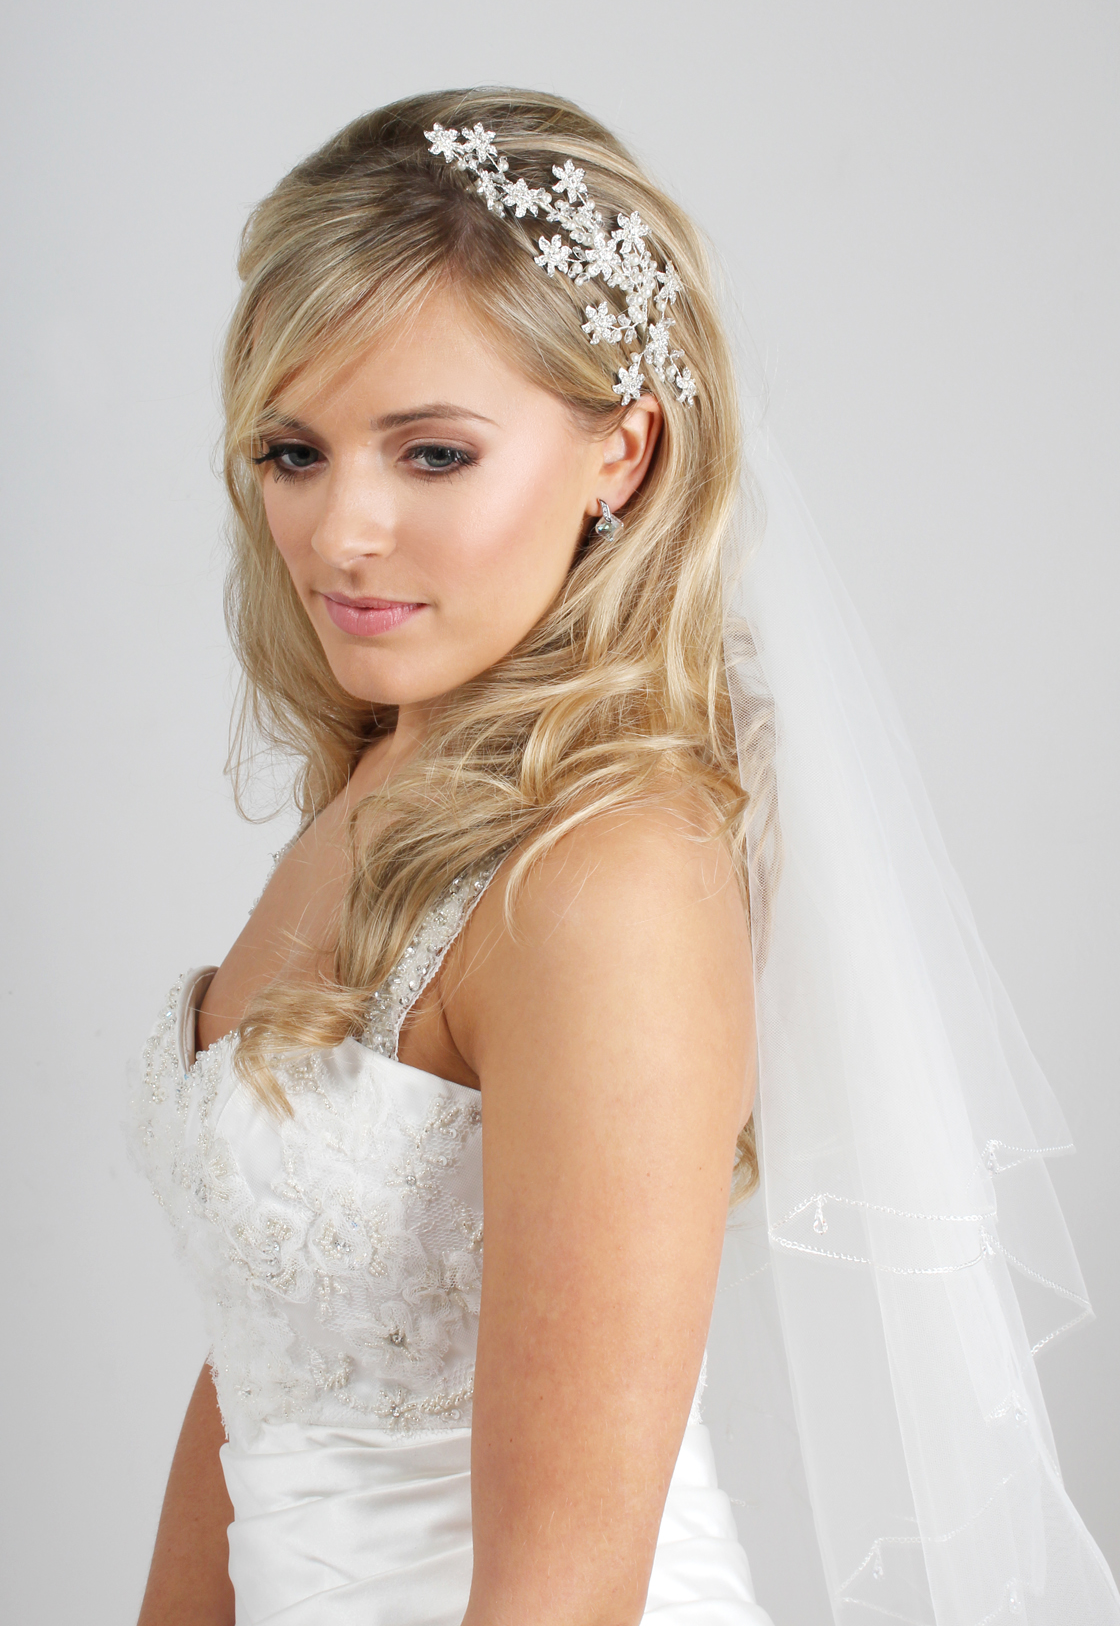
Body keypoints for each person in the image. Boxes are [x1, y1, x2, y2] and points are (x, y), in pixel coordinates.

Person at [130, 88, 1120, 1626]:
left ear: (622, 452)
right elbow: (266, 1361)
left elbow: (568, 1591)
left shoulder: (609, 884)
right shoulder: (382, 785)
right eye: (293, 450)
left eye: (433, 453)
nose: (338, 532)